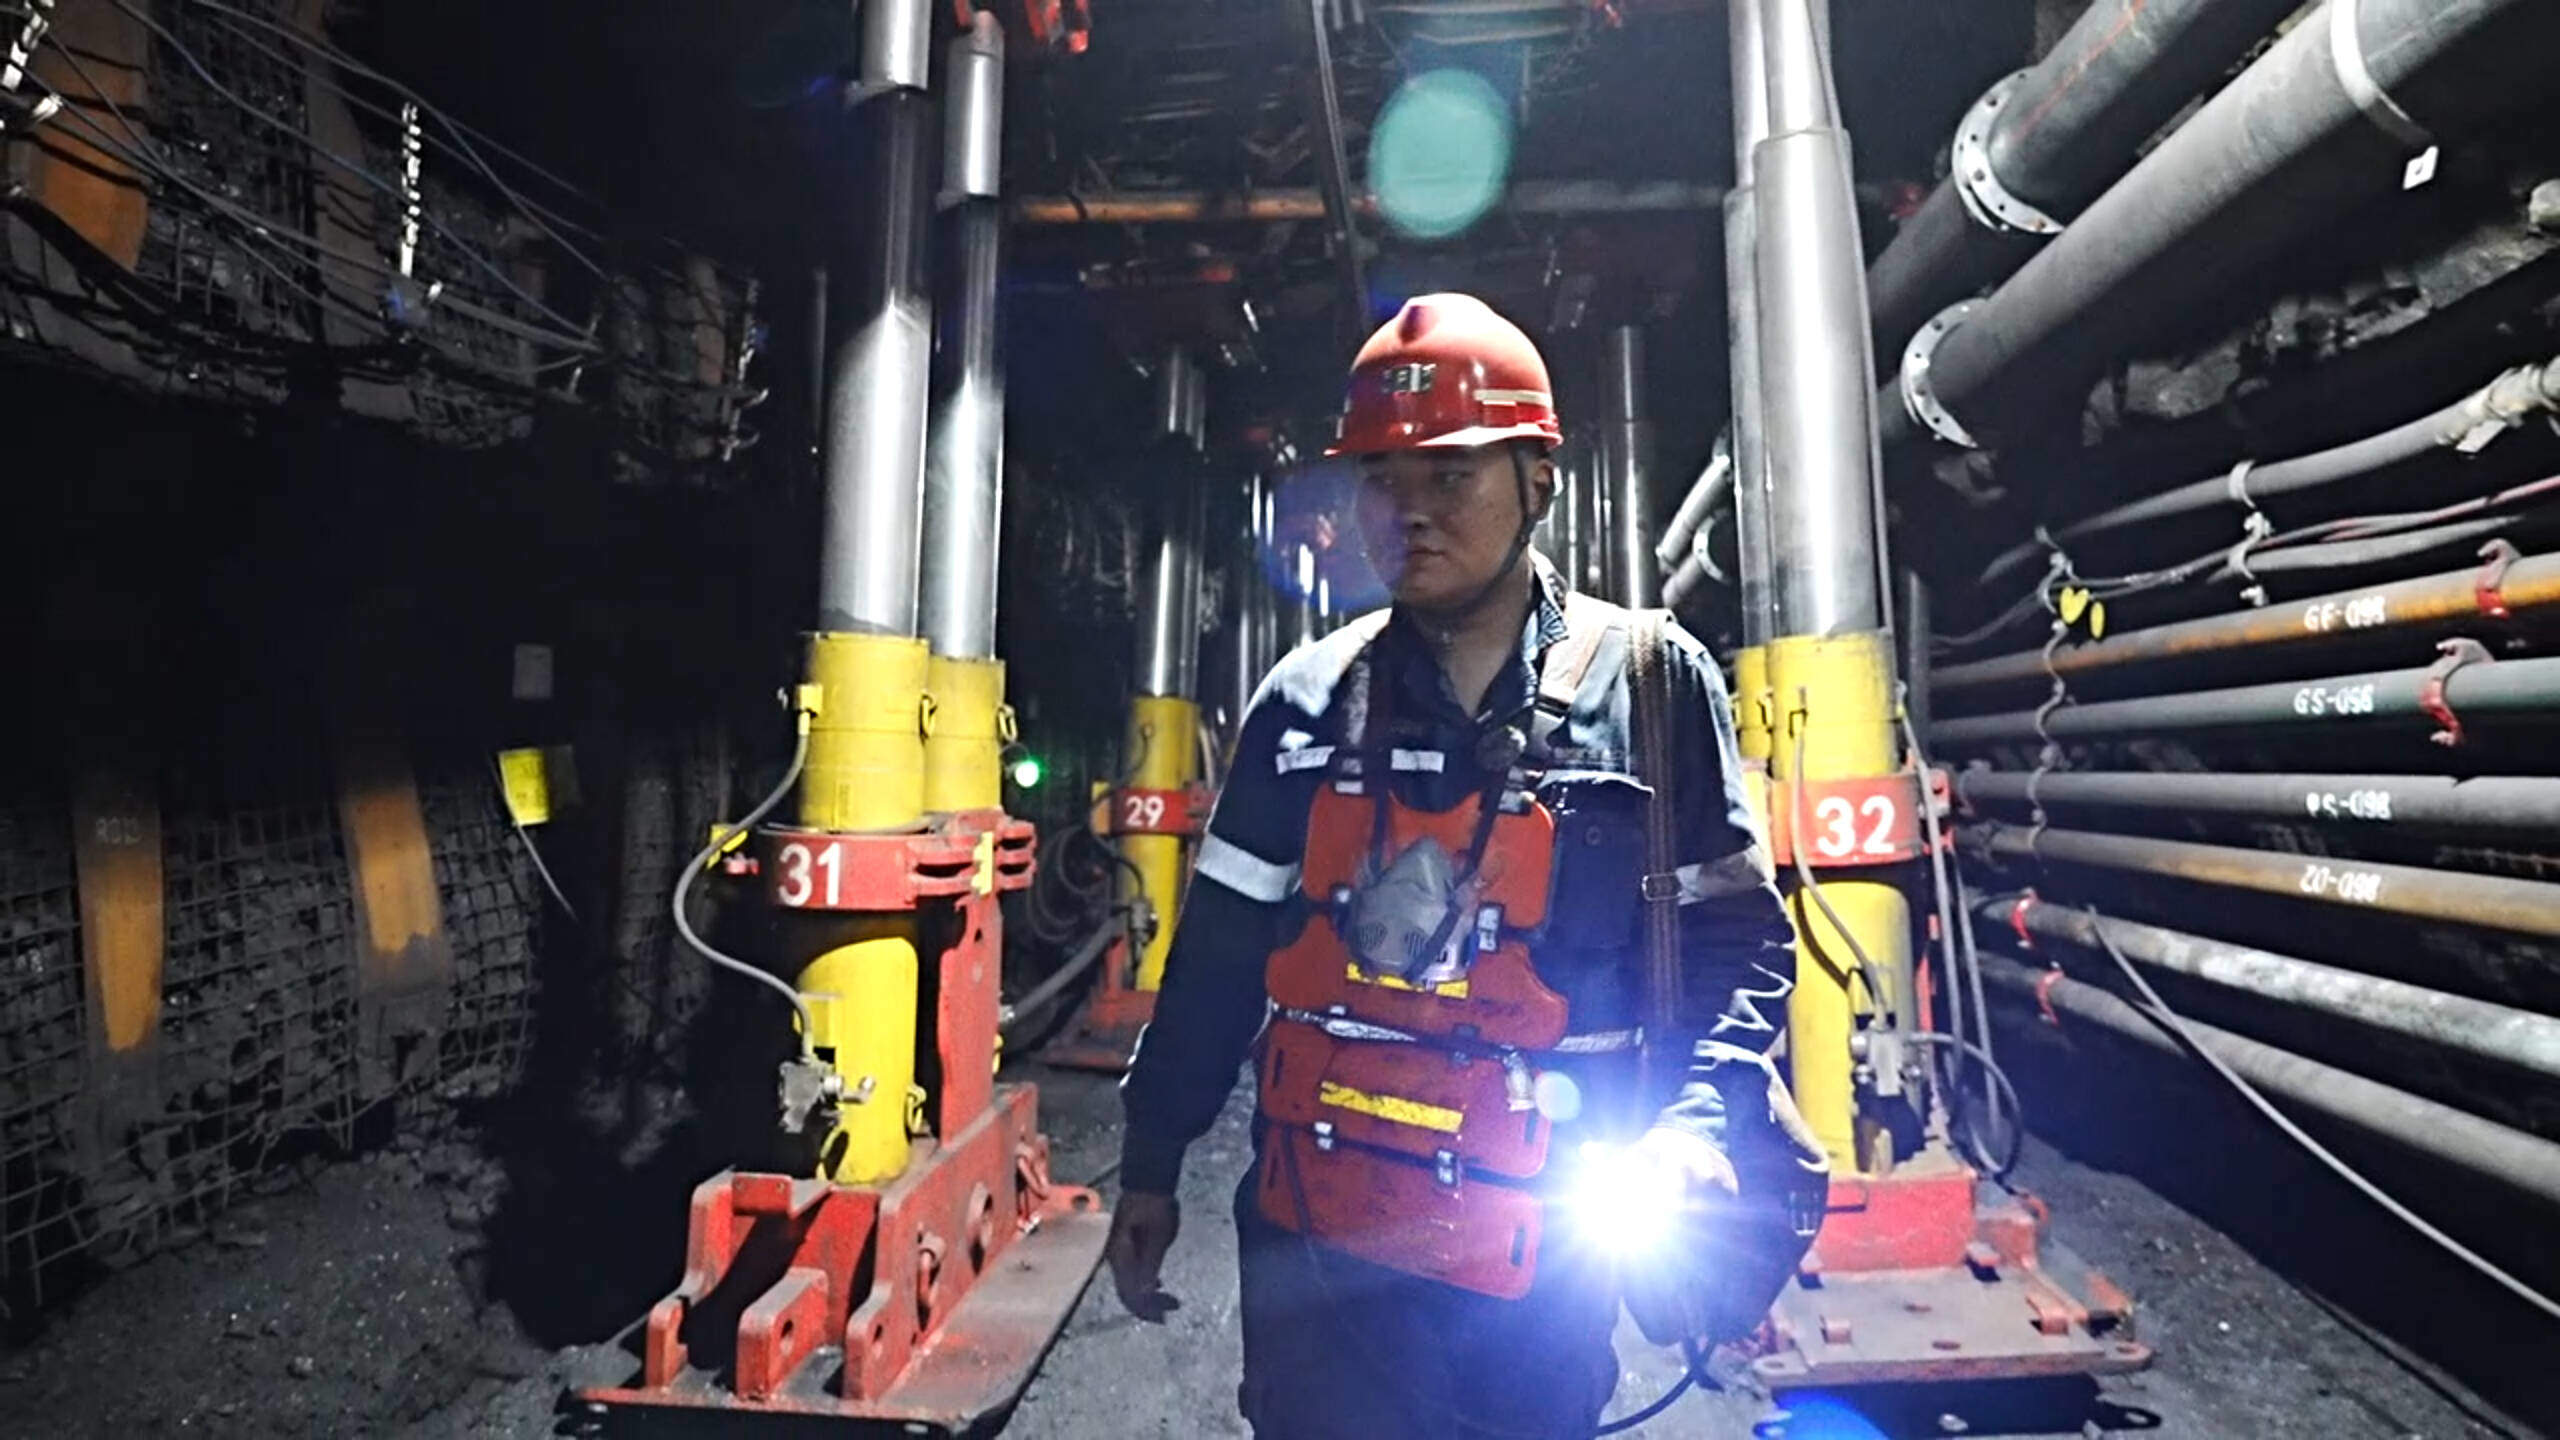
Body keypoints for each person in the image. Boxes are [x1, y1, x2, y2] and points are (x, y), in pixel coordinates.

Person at [1105, 292, 1827, 1439]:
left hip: (1540, 1254)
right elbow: (1217, 965)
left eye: (1449, 476)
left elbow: (1736, 940)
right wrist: (1151, 1162)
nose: (1408, 514)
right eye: (1380, 480)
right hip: (1320, 1247)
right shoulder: (1301, 705)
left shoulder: (1647, 686)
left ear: (1538, 479)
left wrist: (1694, 1120)